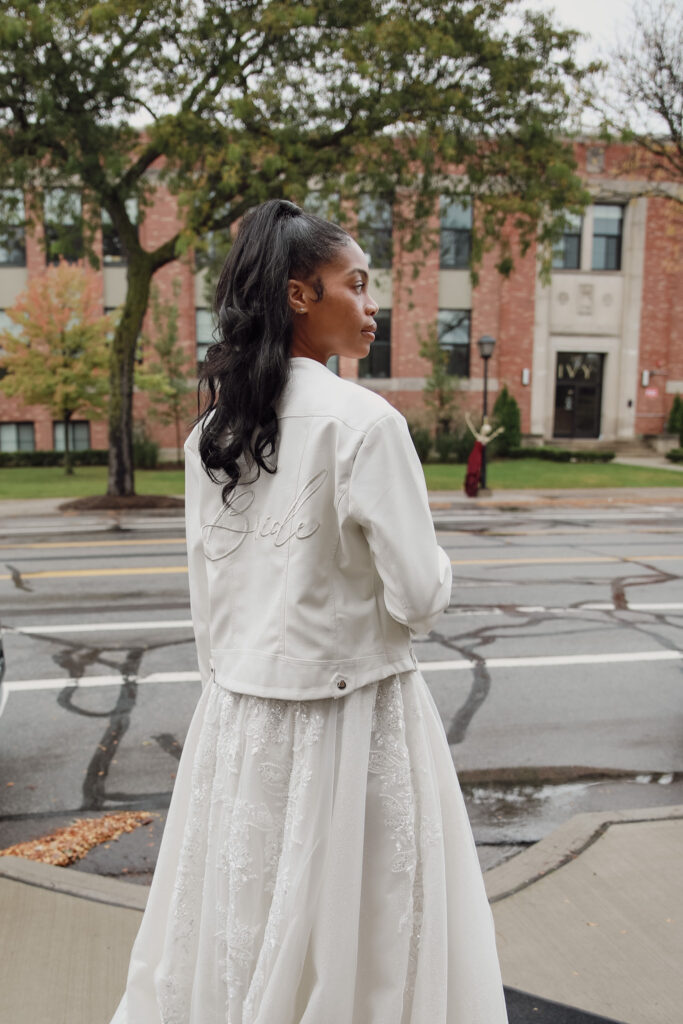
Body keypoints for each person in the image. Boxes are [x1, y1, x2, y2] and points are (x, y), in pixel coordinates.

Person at [109, 199, 508, 1023]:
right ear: (300, 295)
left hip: (239, 717)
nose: (371, 308)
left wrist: (234, 681)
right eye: (356, 286)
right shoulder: (364, 424)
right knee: (362, 923)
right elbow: (420, 598)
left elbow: (208, 597)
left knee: (239, 913)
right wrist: (436, 567)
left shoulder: (211, 433)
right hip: (354, 712)